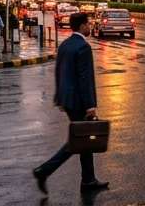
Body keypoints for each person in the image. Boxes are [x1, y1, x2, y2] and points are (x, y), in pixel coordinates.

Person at [33, 12, 108, 192]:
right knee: (79, 139)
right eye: (88, 24)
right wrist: (90, 105)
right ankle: (44, 170)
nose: (90, 27)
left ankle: (88, 180)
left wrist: (59, 97)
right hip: (79, 101)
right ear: (82, 26)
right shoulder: (83, 46)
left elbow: (59, 72)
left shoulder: (65, 44)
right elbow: (85, 78)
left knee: (85, 139)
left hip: (67, 99)